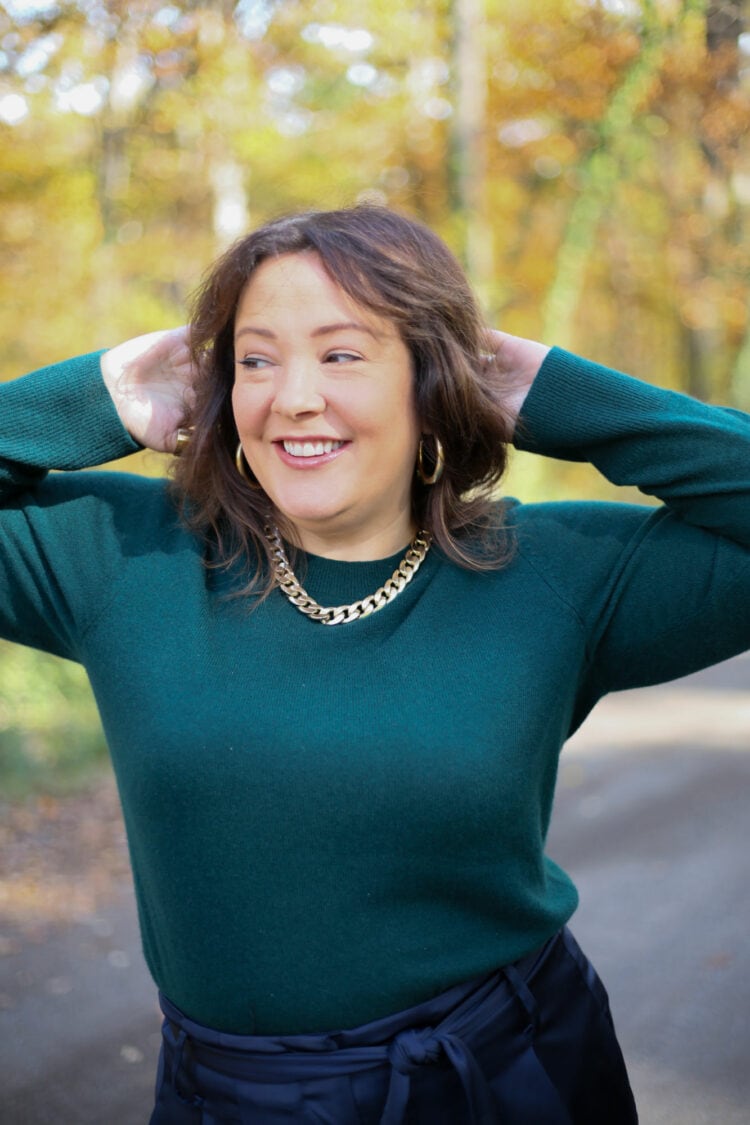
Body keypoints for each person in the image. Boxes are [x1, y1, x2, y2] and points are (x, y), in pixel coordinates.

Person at [1, 204, 748, 1124]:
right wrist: (95, 395)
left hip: (509, 1074)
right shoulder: (121, 556)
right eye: (256, 358)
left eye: (343, 353)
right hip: (234, 1099)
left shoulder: (556, 574)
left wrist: (558, 393)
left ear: (429, 381)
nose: (294, 396)